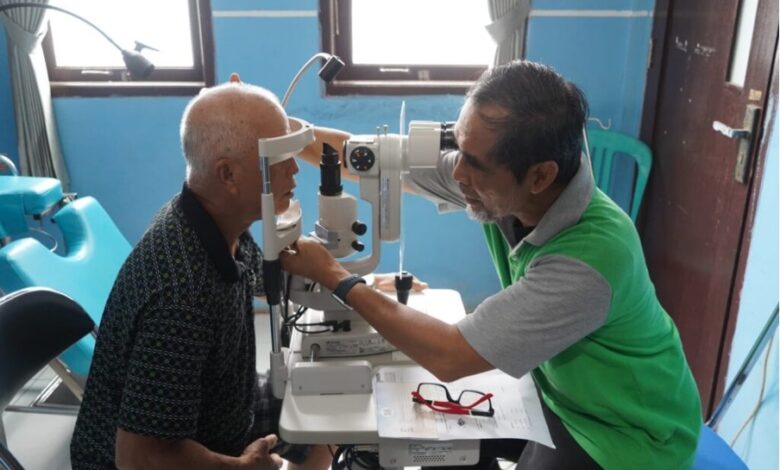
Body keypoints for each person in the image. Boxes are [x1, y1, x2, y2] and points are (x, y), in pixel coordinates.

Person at [281, 60, 702, 469]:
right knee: (429, 431)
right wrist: (283, 133)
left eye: (474, 164)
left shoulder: (591, 260)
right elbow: (368, 158)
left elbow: (449, 356)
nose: (457, 173)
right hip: (557, 390)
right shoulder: (511, 185)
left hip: (625, 433)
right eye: (457, 149)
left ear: (539, 176)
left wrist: (336, 277)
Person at [70, 76, 332, 470]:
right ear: (228, 175)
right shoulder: (182, 295)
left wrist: (338, 280)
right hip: (157, 457)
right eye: (279, 157)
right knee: (329, 420)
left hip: (224, 409)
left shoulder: (213, 219)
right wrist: (241, 468)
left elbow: (256, 276)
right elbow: (139, 457)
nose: (295, 169)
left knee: (330, 400)